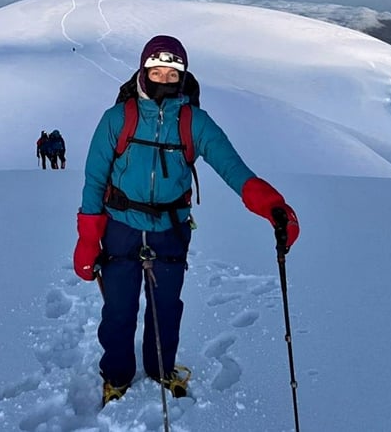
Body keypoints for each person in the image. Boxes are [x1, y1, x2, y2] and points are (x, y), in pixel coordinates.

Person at [73, 35, 300, 406]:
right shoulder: (118, 119)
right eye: (156, 71)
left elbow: (232, 168)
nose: (164, 79)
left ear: (183, 77)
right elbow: (95, 180)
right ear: (143, 72)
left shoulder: (194, 122)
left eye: (172, 73)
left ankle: (160, 368)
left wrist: (272, 205)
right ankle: (116, 375)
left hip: (171, 229)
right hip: (120, 228)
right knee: (118, 309)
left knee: (166, 309)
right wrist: (87, 240)